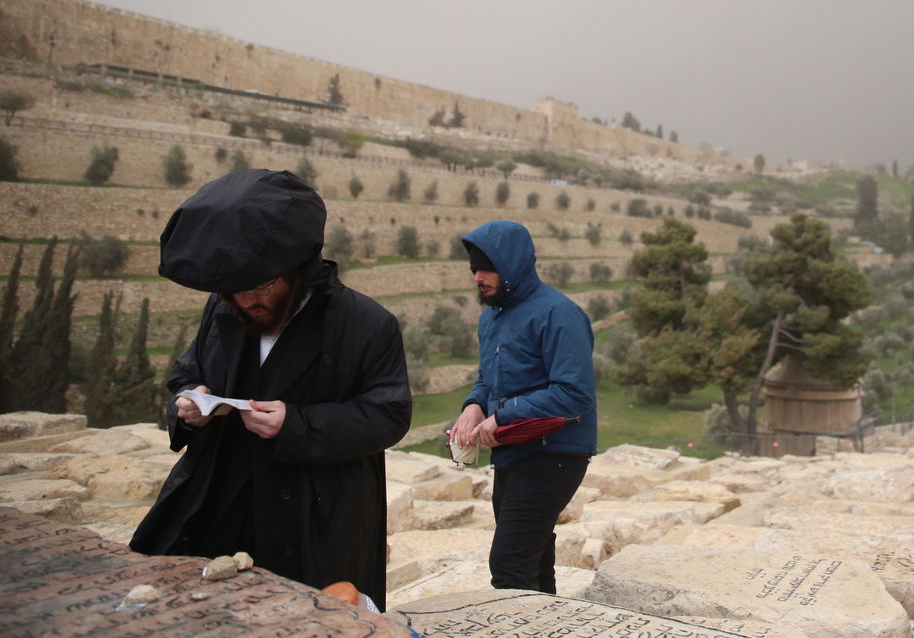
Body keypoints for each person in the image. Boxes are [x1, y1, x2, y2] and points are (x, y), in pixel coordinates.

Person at [129, 168, 412, 611]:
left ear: (297, 268)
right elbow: (186, 374)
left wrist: (295, 423)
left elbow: (388, 415)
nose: (245, 302)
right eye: (231, 291)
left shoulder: (366, 324)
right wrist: (187, 403)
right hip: (221, 502)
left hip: (314, 520)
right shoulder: (224, 311)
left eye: (260, 286)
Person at [448, 220, 596, 593]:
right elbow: (489, 380)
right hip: (513, 453)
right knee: (534, 559)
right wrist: (473, 407)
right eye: (474, 270)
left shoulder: (558, 314)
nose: (478, 277)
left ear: (512, 265)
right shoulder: (491, 316)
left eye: (487, 268)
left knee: (509, 563)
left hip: (554, 455)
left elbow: (574, 393)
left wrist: (506, 414)